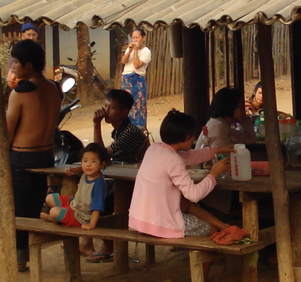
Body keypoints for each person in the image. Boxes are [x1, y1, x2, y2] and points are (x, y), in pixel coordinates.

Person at [0, 39, 60, 272]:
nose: (13, 67)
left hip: (22, 157)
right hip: (46, 155)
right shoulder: (53, 88)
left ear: (29, 65)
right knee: (33, 208)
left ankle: (18, 259)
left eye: (17, 63)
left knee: (17, 210)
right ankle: (26, 255)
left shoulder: (20, 93)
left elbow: (8, 132)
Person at [128, 109, 231, 241]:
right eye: (192, 135)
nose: (194, 138)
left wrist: (217, 150)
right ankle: (203, 259)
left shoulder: (154, 149)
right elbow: (194, 195)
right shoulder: (174, 160)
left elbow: (190, 156)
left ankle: (223, 225)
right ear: (185, 137)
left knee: (184, 203)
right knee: (210, 230)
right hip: (161, 223)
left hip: (140, 220)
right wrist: (213, 174)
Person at [42, 143, 110, 260]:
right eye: (85, 161)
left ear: (102, 164)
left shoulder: (98, 183)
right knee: (49, 198)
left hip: (81, 215)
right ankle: (59, 217)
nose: (88, 165)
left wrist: (91, 224)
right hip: (75, 203)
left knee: (54, 212)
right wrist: (74, 170)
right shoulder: (86, 173)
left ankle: (55, 219)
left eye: (93, 161)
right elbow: (82, 168)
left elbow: (97, 207)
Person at [91, 88, 149, 164]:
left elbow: (101, 155)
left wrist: (96, 124)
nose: (106, 111)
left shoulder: (129, 133)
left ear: (124, 112)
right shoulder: (119, 130)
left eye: (112, 108)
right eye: (105, 106)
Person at [119, 27, 151, 129]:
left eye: (137, 37)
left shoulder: (146, 51)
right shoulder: (130, 48)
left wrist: (136, 51)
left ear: (143, 38)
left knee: (137, 106)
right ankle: (125, 128)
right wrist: (129, 51)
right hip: (126, 80)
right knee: (125, 105)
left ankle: (138, 129)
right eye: (133, 38)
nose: (135, 40)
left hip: (137, 80)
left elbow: (137, 65)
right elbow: (123, 61)